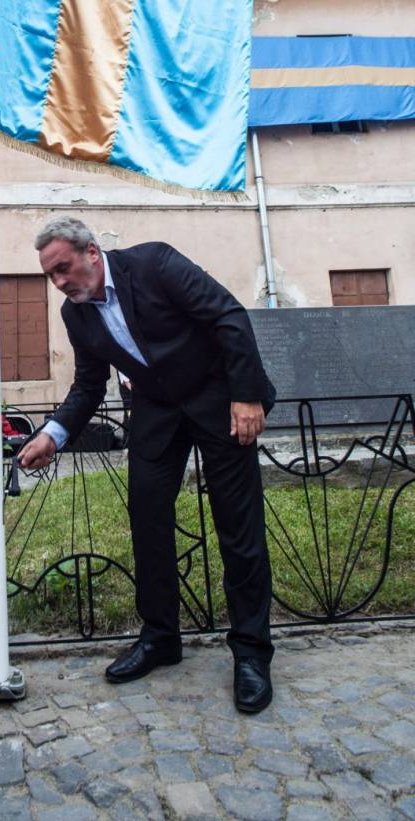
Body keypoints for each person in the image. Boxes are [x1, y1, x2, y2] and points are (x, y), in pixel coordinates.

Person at [19, 217, 276, 715]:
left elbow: (228, 316)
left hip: (219, 400)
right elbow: (89, 385)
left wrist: (246, 395)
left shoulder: (154, 263)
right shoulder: (76, 314)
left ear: (91, 252)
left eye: (63, 268)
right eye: (50, 275)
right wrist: (52, 434)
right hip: (157, 413)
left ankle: (251, 652)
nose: (59, 282)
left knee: (238, 525)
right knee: (147, 518)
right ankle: (160, 637)